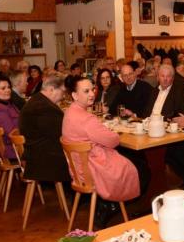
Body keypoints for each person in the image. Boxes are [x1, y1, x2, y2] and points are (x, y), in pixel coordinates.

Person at [62, 77, 146, 227]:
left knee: (132, 161)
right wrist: (110, 132)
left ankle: (109, 205)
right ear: (74, 95)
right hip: (93, 171)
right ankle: (112, 205)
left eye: (92, 89)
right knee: (140, 167)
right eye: (86, 91)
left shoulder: (69, 113)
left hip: (78, 170)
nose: (91, 94)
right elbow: (113, 141)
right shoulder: (87, 119)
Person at [18, 74, 71, 184]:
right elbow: (63, 134)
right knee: (86, 155)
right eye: (62, 92)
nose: (63, 96)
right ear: (51, 89)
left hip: (36, 153)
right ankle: (85, 196)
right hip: (43, 159)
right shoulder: (44, 107)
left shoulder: (38, 101)